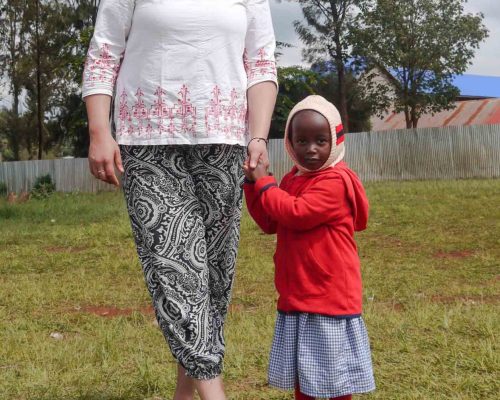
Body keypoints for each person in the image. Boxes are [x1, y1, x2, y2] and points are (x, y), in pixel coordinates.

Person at [82, 1, 277, 399]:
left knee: (213, 282)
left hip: (224, 143)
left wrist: (257, 135)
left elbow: (261, 63)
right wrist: (100, 131)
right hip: (149, 141)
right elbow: (104, 55)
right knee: (177, 272)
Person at [243, 95, 376, 400]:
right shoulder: (293, 179)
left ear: (336, 140)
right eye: (301, 140)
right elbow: (270, 220)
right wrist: (253, 185)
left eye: (320, 140)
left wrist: (266, 184)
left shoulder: (336, 181)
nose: (311, 149)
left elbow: (296, 213)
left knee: (333, 378)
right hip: (300, 293)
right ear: (289, 142)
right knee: (306, 375)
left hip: (328, 296)